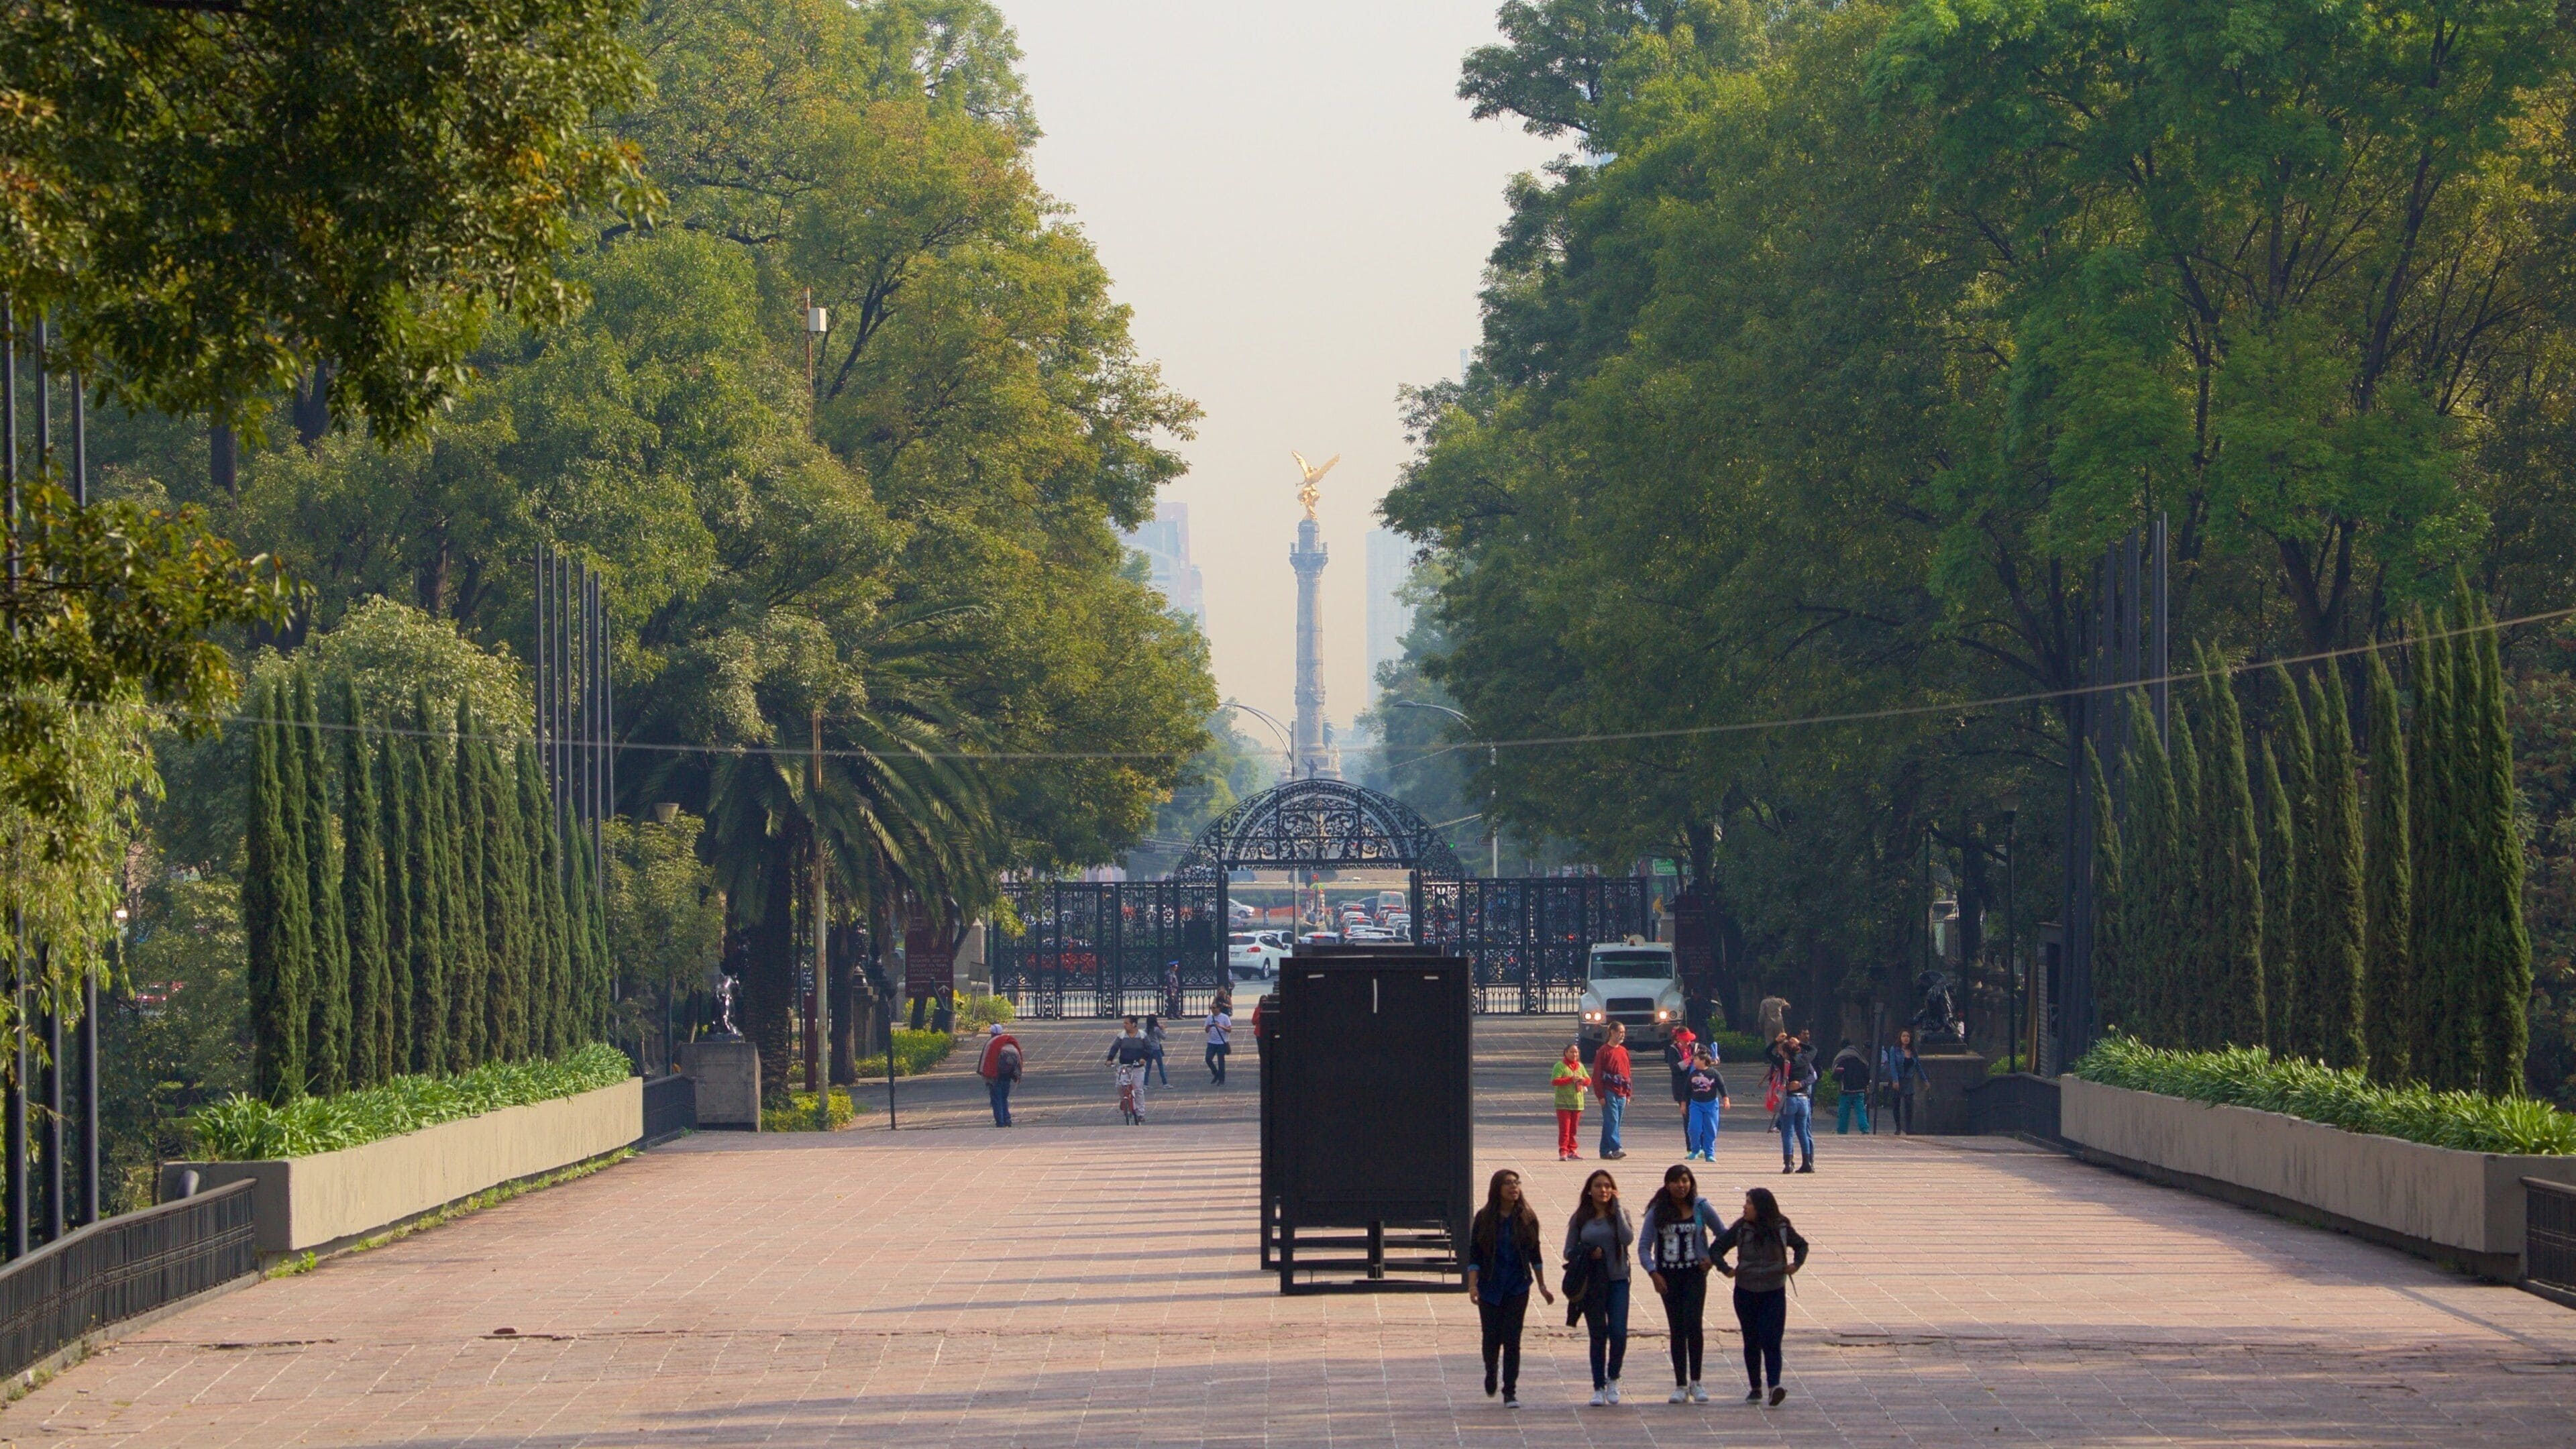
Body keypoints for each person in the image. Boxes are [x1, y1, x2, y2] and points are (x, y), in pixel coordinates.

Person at [1464, 1169, 1556, 1407]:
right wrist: (1473, 1286)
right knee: (1491, 1337)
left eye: (1516, 1183)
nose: (1514, 1187)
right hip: (1490, 1286)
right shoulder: (1484, 1218)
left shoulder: (1527, 1217)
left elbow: (1535, 1255)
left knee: (1512, 1339)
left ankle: (1510, 1391)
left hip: (1517, 1286)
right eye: (1508, 1183)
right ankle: (1491, 1370)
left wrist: (1542, 1285)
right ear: (1497, 1188)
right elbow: (1475, 1254)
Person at [1713, 1185, 1809, 1407]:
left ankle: (1774, 1386)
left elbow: (1801, 1245)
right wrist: (1725, 1269)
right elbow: (1717, 1248)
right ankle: (1755, 1387)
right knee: (1752, 1339)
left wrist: (1796, 1264)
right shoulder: (1741, 1228)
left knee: (1772, 1340)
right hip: (1745, 1292)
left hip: (1774, 1291)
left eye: (1749, 1203)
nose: (1745, 1207)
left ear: (1761, 1207)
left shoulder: (1782, 1227)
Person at [1639, 1162, 1725, 1403]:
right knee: (1677, 1328)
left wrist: (1711, 1257)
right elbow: (1644, 1246)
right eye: (1676, 1181)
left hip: (1694, 1275)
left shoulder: (1701, 1207)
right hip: (1668, 1278)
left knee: (1693, 1324)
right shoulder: (1658, 1211)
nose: (1681, 1186)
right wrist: (1653, 1273)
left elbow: (1724, 1234)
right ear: (1667, 1185)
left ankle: (1696, 1382)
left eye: (1685, 1181)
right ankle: (1680, 1384)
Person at [1562, 1169, 1633, 1405]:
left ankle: (1614, 1377)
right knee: (1598, 1334)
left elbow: (1627, 1239)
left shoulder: (1620, 1214)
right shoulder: (1581, 1218)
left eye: (1607, 1186)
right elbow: (1568, 1251)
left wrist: (1618, 1207)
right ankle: (1598, 1386)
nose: (1603, 1190)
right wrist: (1587, 1252)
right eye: (1598, 1186)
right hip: (1592, 1283)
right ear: (1589, 1190)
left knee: (1619, 1332)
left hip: (1618, 1280)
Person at [1776, 1036, 1817, 1173]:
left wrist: (1776, 1041)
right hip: (1803, 1100)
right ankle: (1807, 1162)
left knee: (1788, 1133)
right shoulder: (1805, 1060)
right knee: (1803, 1132)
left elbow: (1767, 1053)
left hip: (1790, 1099)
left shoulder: (1783, 1063)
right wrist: (1800, 1043)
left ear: (1785, 1052)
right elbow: (1813, 1049)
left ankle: (1788, 1164)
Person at [1593, 1022, 1633, 1161]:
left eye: (1624, 1032)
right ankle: (1616, 1148)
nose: (1622, 1035)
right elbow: (1597, 1074)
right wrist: (1600, 1095)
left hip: (1622, 1091)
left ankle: (1605, 1150)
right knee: (1612, 1120)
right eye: (1620, 1032)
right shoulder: (1604, 1051)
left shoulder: (1623, 1051)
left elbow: (1628, 1073)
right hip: (1609, 1090)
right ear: (1612, 1032)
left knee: (1613, 1122)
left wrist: (1629, 1093)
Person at [1882, 1027, 1931, 1136]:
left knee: (1909, 1105)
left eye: (1908, 1036)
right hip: (1898, 1079)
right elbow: (1893, 1065)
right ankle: (1898, 1128)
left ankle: (1909, 1128)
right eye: (1904, 1036)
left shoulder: (1913, 1051)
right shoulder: (1895, 1049)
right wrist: (1895, 1080)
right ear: (1900, 1038)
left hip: (1908, 1080)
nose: (1906, 1038)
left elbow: (1918, 1066)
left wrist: (1925, 1080)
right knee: (1896, 1104)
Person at [1683, 1044, 1727, 1160]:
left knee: (1711, 1129)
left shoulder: (1714, 1073)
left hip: (1711, 1105)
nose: (1694, 1061)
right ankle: (1695, 1150)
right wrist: (1684, 1104)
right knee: (1694, 1128)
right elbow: (1687, 1090)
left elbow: (1722, 1086)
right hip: (1696, 1104)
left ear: (1703, 1061)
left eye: (1696, 1059)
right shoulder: (1693, 1074)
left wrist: (1725, 1098)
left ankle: (1709, 1153)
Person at [1105, 1016, 1152, 1124]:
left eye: (1127, 1023)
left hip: (1137, 1067)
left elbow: (1149, 1049)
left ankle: (1140, 1114)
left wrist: (1144, 1059)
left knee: (1138, 1090)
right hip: (1124, 1066)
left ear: (1134, 1024)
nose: (1124, 1025)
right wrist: (1109, 1059)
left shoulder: (1142, 1035)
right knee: (1120, 1085)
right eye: (1124, 1023)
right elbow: (1115, 1048)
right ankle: (1124, 1101)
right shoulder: (1121, 1035)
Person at [975, 1021, 1022, 1127]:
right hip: (1007, 1076)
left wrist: (985, 1075)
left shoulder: (991, 1044)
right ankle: (1007, 1120)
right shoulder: (1009, 1043)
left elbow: (986, 1060)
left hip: (995, 1077)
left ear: (992, 1033)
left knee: (996, 1099)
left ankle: (1000, 1122)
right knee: (1004, 1098)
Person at [1551, 1044, 1591, 1161]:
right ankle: (1563, 1151)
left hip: (1577, 1103)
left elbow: (1588, 1080)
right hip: (1563, 1103)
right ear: (1566, 1053)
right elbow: (1555, 1081)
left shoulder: (1580, 1066)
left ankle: (1572, 1150)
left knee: (1573, 1130)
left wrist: (1583, 1080)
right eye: (1572, 1052)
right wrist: (1570, 1079)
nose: (1575, 1054)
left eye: (1576, 1052)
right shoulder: (1560, 1066)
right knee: (1565, 1130)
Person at [1662, 1026, 1698, 1148]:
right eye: (1685, 1040)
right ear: (1678, 1039)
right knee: (1688, 1118)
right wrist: (1689, 1060)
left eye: (1689, 1040)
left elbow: (1707, 1057)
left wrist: (1713, 1058)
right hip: (1682, 1089)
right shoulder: (1673, 1050)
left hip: (1697, 1088)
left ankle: (1701, 1145)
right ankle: (1691, 1147)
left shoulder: (1696, 1047)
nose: (1688, 1042)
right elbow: (1675, 1068)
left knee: (1699, 1118)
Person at [1832, 1040, 1873, 1134]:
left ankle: (1842, 1131)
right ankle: (1865, 1129)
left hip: (1846, 1090)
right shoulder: (1860, 1059)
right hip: (1859, 1090)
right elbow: (1867, 1076)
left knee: (1844, 1112)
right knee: (1861, 1111)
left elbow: (1836, 1076)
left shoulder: (1841, 1060)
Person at [1204, 994, 1234, 1084]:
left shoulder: (1225, 1017)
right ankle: (1216, 1073)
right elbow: (1206, 1031)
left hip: (1221, 1042)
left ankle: (1221, 1079)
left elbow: (1229, 1030)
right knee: (1208, 1059)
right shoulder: (1209, 1017)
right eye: (1211, 1008)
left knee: (1221, 1061)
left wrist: (1220, 1026)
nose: (1212, 1010)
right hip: (1212, 1042)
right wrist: (1208, 1027)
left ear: (1219, 1009)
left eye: (1214, 1008)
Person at [1142, 1014, 1169, 1085]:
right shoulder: (1156, 1029)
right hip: (1156, 1049)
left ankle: (1145, 1084)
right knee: (1160, 1067)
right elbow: (1164, 1037)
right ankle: (1165, 1083)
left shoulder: (1146, 1029)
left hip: (1149, 1049)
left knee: (1148, 1067)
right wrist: (1163, 1030)